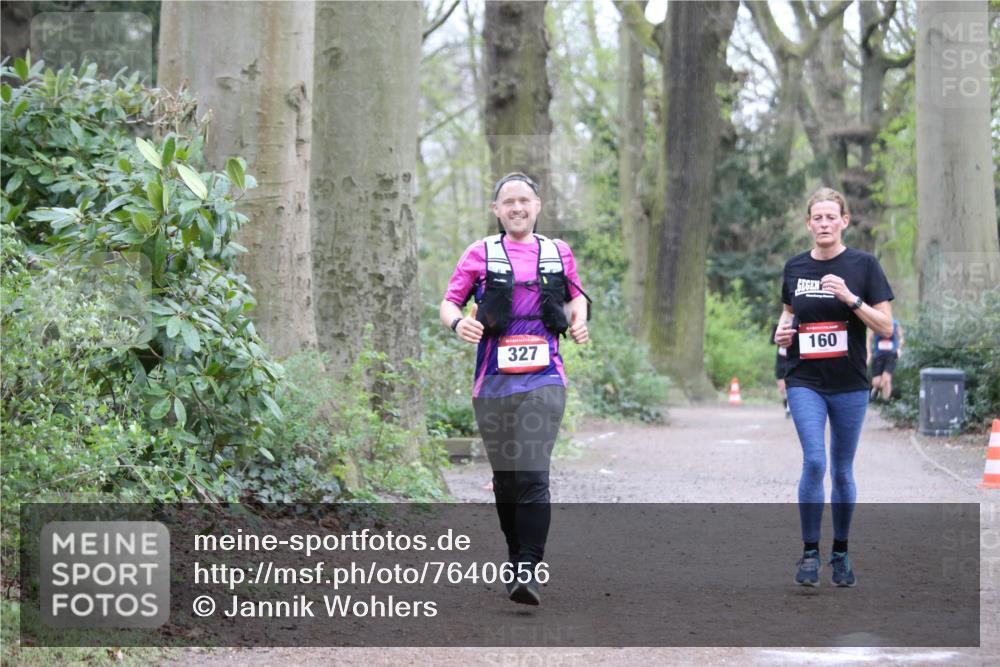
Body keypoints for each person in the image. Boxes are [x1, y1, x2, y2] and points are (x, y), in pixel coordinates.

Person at [439, 172, 590, 606]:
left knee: (532, 470)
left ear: (538, 205)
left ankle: (529, 566)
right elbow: (448, 302)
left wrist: (579, 320)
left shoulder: (558, 252)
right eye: (509, 202)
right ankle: (515, 556)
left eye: (525, 200)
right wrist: (457, 322)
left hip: (545, 375)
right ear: (496, 210)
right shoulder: (479, 253)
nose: (518, 208)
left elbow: (576, 297)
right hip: (492, 381)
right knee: (506, 480)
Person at [774, 187, 894, 588]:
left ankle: (840, 552)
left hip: (849, 384)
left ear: (844, 221)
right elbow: (788, 314)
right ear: (808, 224)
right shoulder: (794, 267)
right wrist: (781, 333)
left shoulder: (864, 265)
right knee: (814, 461)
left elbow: (886, 326)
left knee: (842, 470)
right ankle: (810, 552)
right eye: (817, 218)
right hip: (804, 379)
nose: (824, 224)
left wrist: (851, 298)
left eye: (831, 217)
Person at [867, 319, 904, 401]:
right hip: (878, 355)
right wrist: (869, 352)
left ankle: (886, 401)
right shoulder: (874, 323)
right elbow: (869, 339)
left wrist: (899, 348)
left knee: (886, 379)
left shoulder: (895, 323)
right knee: (876, 382)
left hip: (891, 355)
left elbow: (901, 338)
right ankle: (876, 390)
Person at [773, 325, 791, 417]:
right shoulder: (777, 326)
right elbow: (773, 341)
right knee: (782, 389)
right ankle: (787, 404)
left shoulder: (797, 324)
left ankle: (789, 409)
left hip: (793, 361)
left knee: (790, 388)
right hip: (781, 362)